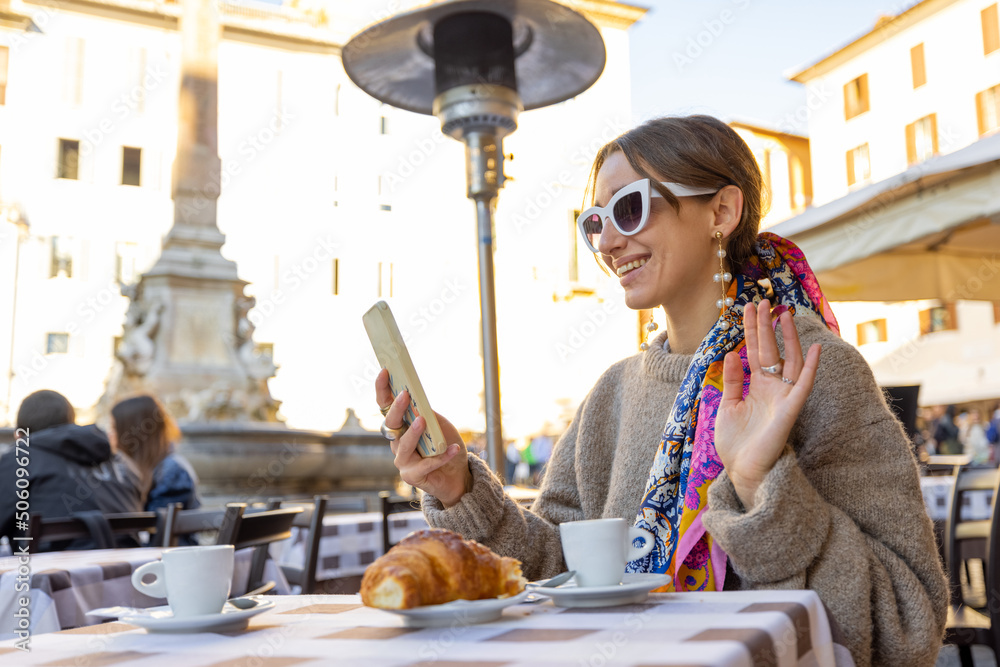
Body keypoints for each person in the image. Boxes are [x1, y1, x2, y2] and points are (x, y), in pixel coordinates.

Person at [374, 116, 948, 666]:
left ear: (721, 211)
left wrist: (759, 484)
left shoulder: (818, 369)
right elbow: (551, 574)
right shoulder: (613, 393)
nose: (608, 243)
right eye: (595, 221)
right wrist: (458, 488)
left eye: (630, 208)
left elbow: (905, 626)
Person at [0, 389, 144, 550]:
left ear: (19, 436)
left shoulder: (20, 459)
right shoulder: (123, 464)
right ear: (71, 425)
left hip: (53, 574)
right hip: (130, 571)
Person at [110, 395, 201, 516]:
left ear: (132, 432)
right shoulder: (132, 468)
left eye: (114, 428)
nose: (109, 434)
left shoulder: (173, 471)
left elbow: (158, 529)